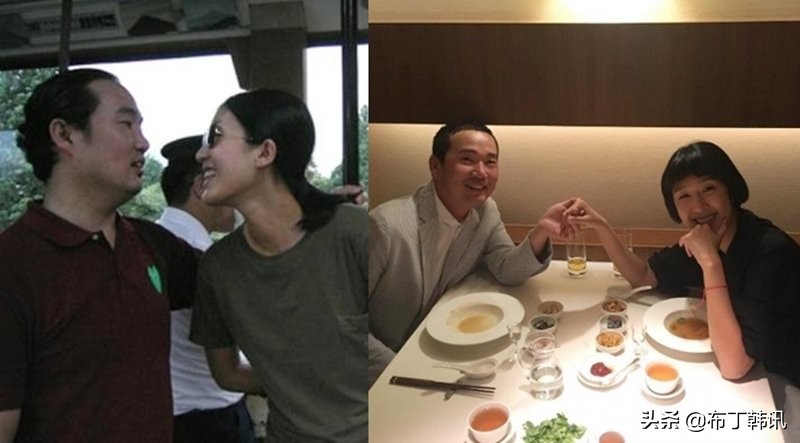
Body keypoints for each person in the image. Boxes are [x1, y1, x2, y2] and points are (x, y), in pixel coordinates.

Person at [0, 69, 198, 442]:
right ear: (65, 135)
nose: (143, 143)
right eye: (126, 124)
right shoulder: (13, 266)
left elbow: (242, 283)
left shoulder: (150, 243)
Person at [565, 141, 800, 438]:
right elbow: (642, 275)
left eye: (709, 188)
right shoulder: (706, 238)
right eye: (684, 195)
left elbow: (735, 365)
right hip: (756, 379)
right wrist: (601, 226)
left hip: (787, 385)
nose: (698, 206)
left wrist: (710, 263)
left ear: (731, 190)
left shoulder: (769, 252)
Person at [188, 89, 367, 442]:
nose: (201, 154)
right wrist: (295, 380)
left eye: (216, 136)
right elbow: (226, 374)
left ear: (265, 152)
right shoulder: (218, 268)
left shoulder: (353, 232)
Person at [368, 122, 576, 384]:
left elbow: (507, 269)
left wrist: (541, 231)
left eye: (490, 162)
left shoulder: (485, 211)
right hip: (387, 365)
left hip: (445, 353)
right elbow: (342, 323)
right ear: (435, 166)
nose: (481, 172)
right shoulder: (386, 225)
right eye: (467, 159)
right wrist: (396, 371)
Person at [156, 135, 256, 443]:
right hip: (211, 421)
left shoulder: (153, 243)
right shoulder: (199, 259)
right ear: (202, 186)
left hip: (173, 415)